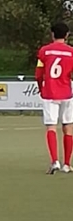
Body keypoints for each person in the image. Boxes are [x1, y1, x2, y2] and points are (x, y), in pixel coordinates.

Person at [35, 22, 73, 174]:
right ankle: (67, 164)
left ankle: (54, 161)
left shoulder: (44, 51)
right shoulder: (71, 52)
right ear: (67, 35)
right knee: (68, 126)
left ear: (52, 34)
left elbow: (38, 74)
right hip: (67, 93)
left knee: (51, 126)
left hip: (50, 92)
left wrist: (40, 88)